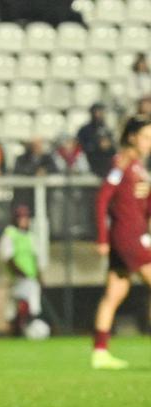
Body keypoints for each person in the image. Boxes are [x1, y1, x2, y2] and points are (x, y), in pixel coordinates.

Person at [91, 115, 151, 370]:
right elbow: (103, 198)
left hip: (131, 236)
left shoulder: (137, 167)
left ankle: (100, 352)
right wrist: (101, 237)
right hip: (129, 238)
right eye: (146, 137)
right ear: (132, 137)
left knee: (114, 293)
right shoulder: (123, 162)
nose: (149, 142)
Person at [0, 205, 44, 336]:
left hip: (29, 276)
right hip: (18, 277)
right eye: (21, 218)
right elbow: (8, 258)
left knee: (19, 301)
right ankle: (26, 324)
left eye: (26, 218)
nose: (24, 221)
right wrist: (19, 273)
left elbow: (35, 257)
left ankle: (23, 326)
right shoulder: (10, 234)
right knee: (28, 297)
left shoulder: (30, 235)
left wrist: (38, 275)